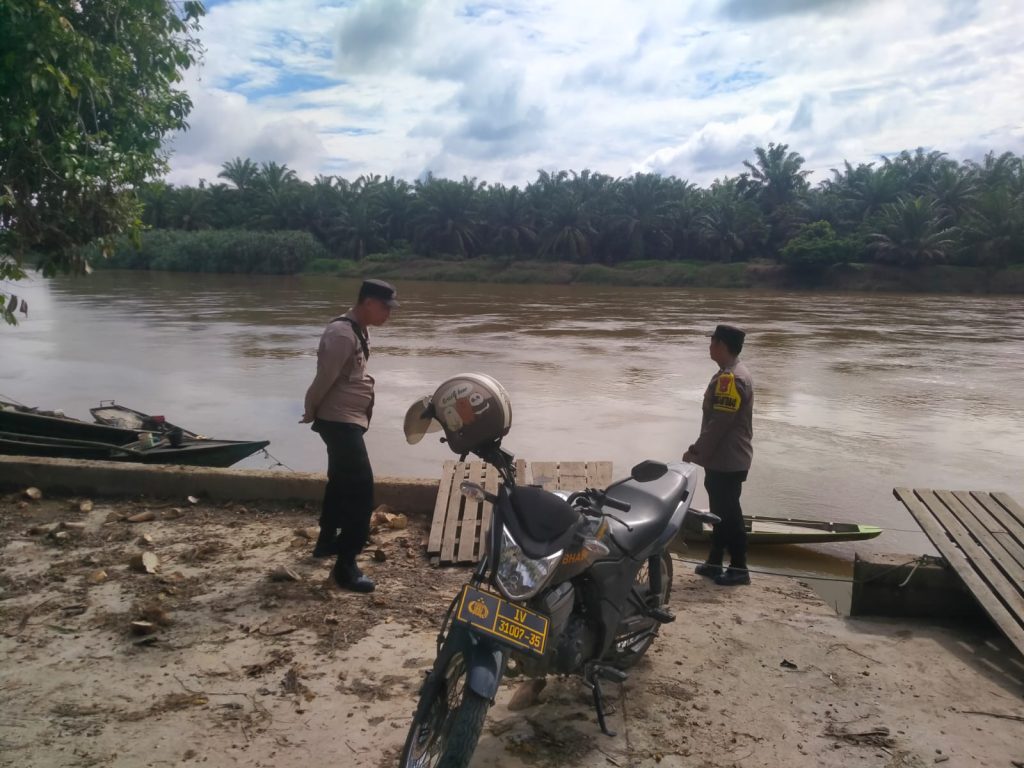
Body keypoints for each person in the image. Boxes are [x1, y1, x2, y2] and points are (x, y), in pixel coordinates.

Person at [301, 279, 399, 593]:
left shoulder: (358, 330)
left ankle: (326, 541)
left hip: (348, 419)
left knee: (341, 482)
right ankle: (346, 566)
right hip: (338, 421)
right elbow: (324, 378)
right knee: (360, 491)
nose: (388, 314)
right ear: (369, 303)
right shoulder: (341, 334)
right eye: (385, 308)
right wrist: (310, 410)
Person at [683, 324, 754, 587]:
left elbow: (719, 424)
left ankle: (739, 567)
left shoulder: (731, 379)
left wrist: (695, 451)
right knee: (719, 512)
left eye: (712, 342)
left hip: (727, 459)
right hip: (727, 458)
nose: (709, 346)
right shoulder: (731, 373)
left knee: (729, 514)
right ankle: (715, 562)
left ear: (722, 345)